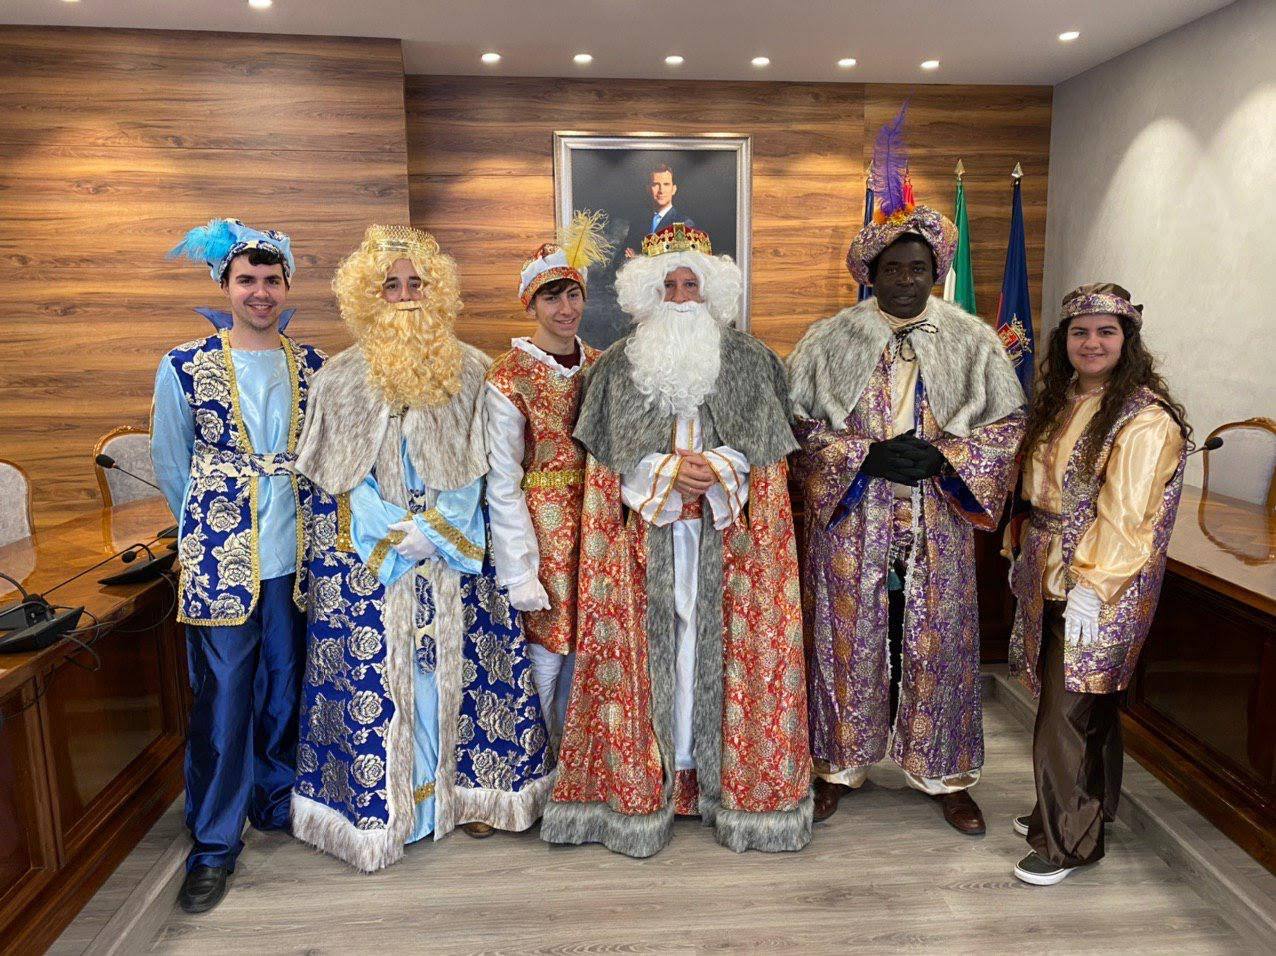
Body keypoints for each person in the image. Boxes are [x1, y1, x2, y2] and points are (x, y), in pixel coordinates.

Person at [786, 109, 1026, 836]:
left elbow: (1007, 425)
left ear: (935, 272)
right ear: (870, 274)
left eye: (917, 269)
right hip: (851, 519)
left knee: (939, 642)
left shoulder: (973, 339)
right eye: (890, 269)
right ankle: (836, 765)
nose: (904, 280)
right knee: (845, 639)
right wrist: (863, 456)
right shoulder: (828, 339)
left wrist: (949, 458)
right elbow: (794, 427)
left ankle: (945, 773)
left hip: (937, 519)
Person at [541, 222, 812, 858]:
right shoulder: (618, 370)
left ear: (712, 291)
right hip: (647, 545)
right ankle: (656, 780)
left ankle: (724, 786)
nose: (682, 295)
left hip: (730, 545)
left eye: (692, 283)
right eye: (670, 285)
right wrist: (663, 470)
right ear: (648, 295)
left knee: (717, 652)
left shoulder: (751, 361)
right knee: (660, 651)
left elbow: (769, 461)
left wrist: (718, 468)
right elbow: (606, 467)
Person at [290, 225, 551, 872]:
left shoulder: (470, 371)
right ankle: (389, 805)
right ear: (366, 297)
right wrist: (386, 531)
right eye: (391, 285)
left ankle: (462, 797)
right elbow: (331, 479)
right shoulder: (339, 378)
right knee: (384, 680)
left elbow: (487, 467)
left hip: (452, 562)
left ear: (437, 292)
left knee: (453, 673)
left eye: (417, 284)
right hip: (371, 566)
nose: (405, 296)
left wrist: (434, 530)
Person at [153, 218, 325, 913]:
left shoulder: (314, 366)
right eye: (246, 280)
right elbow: (172, 466)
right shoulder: (184, 366)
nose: (260, 292)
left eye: (271, 280)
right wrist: (210, 527)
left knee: (287, 687)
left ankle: (276, 798)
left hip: (299, 556)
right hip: (223, 558)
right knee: (224, 699)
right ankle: (215, 843)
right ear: (224, 285)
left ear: (286, 286)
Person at [1006, 283, 1188, 885]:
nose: (1092, 343)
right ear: (1065, 340)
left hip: (1104, 581)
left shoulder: (1143, 418)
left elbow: (1129, 515)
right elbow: (1037, 489)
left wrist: (1093, 583)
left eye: (1106, 332)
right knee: (1084, 705)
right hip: (1051, 569)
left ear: (1126, 340)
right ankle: (1081, 809)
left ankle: (1067, 843)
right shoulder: (1060, 402)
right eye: (1080, 332)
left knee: (1068, 707)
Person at [485, 213, 609, 740]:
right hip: (543, 525)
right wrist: (519, 565)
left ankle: (578, 767)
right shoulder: (509, 376)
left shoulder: (602, 365)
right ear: (531, 305)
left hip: (600, 518)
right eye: (552, 298)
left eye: (573, 296)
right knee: (545, 645)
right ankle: (531, 759)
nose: (566, 309)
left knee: (591, 644)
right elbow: (502, 477)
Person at [624, 164, 694, 257]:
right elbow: (623, 254)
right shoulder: (638, 223)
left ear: (673, 189)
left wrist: (637, 260)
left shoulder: (684, 223)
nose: (661, 190)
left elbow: (679, 262)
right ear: (648, 189)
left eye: (666, 184)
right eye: (656, 184)